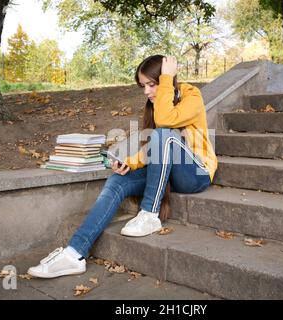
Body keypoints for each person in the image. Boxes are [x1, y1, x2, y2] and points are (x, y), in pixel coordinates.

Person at [27, 55, 218, 278]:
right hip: (169, 170)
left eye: (151, 84)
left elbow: (166, 122)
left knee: (163, 134)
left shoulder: (191, 96)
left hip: (196, 173)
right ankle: (74, 253)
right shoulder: (159, 102)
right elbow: (155, 148)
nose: (146, 92)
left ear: (166, 80)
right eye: (143, 86)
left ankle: (149, 214)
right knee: (119, 180)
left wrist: (166, 78)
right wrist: (129, 162)